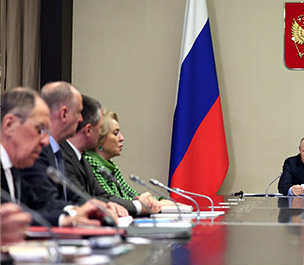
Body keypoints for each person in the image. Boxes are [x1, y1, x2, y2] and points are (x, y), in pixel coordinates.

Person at [1, 87, 116, 227]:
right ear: (9, 125)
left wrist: (67, 219)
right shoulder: (21, 163)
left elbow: (32, 211)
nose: (45, 141)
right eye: (39, 130)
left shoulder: (15, 166)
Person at [61, 96, 161, 216]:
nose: (122, 138)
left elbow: (102, 196)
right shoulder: (68, 157)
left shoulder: (82, 160)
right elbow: (82, 198)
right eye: (99, 129)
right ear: (88, 130)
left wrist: (148, 202)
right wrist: (139, 206)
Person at [84, 110, 174, 207]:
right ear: (99, 139)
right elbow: (113, 201)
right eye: (115, 133)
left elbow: (132, 196)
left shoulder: (111, 167)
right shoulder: (90, 164)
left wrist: (161, 200)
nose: (122, 138)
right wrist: (155, 204)